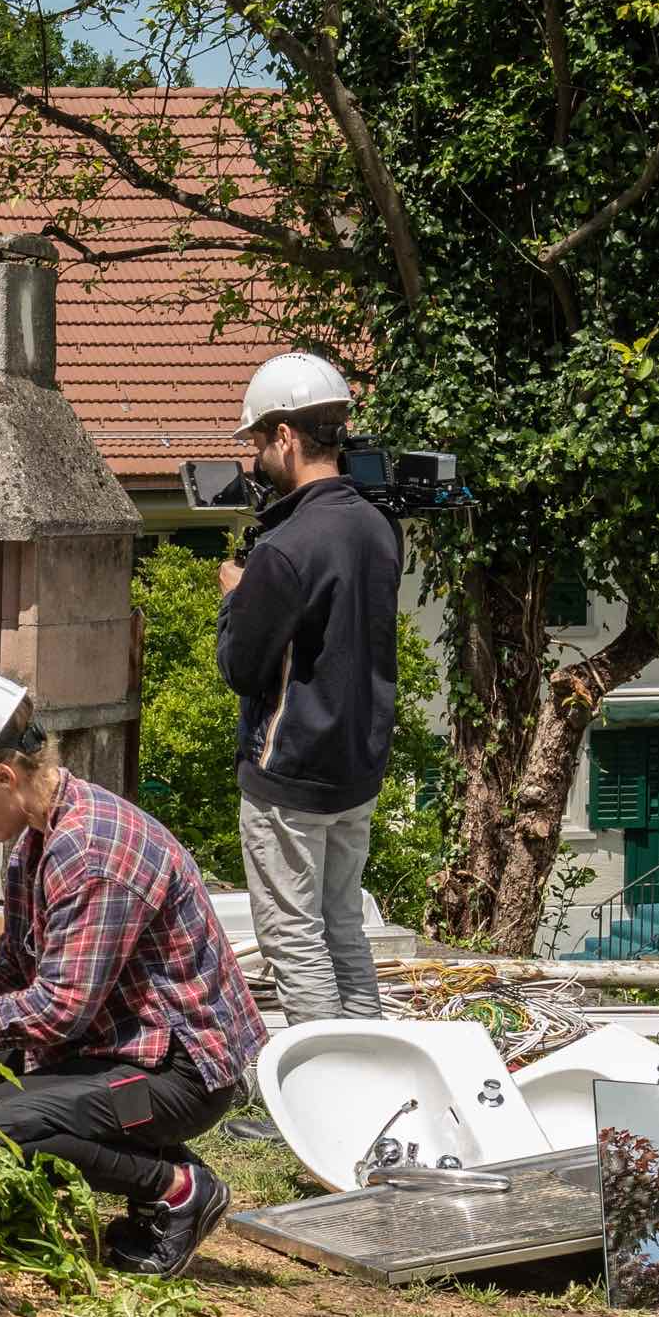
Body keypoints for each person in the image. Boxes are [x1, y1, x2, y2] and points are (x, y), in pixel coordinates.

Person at [0, 670, 258, 1278]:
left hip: (183, 1072)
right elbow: (15, 968)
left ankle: (175, 1189)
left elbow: (56, 1008)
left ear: (5, 778)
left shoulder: (89, 852)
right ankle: (146, 1170)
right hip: (125, 1050)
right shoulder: (35, 843)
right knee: (1, 1089)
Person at [216, 352, 401, 1025]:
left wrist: (235, 598)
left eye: (261, 443)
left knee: (293, 938)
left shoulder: (285, 547)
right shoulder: (377, 527)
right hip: (357, 767)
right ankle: (370, 1061)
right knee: (342, 925)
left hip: (288, 770)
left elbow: (242, 666)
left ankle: (327, 1083)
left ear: (287, 437)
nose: (259, 459)